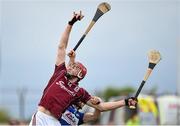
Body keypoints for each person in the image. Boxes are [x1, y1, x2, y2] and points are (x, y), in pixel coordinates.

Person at [29, 11, 138, 126]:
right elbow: (61, 47)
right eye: (71, 65)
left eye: (75, 67)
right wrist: (71, 23)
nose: (71, 66)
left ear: (80, 75)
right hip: (41, 118)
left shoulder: (79, 92)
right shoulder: (60, 72)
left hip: (54, 122)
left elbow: (102, 106)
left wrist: (125, 101)